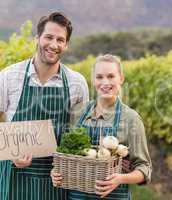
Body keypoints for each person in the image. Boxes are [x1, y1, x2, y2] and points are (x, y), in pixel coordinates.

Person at [0, 12, 89, 200]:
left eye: (60, 40)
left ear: (66, 45)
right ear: (37, 38)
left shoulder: (76, 82)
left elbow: (83, 133)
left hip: (57, 180)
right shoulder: (10, 76)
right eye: (49, 37)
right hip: (15, 178)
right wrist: (10, 150)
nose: (54, 45)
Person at [51, 54, 152, 199]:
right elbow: (65, 155)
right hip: (76, 196)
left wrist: (120, 179)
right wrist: (55, 172)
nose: (105, 82)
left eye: (111, 76)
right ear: (93, 81)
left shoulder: (131, 119)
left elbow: (144, 167)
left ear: (121, 79)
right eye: (99, 77)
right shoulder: (77, 112)